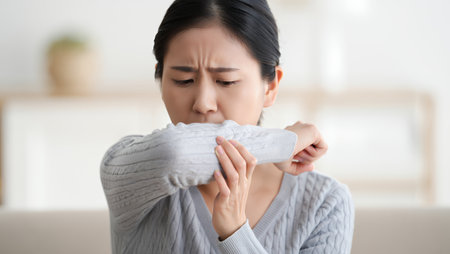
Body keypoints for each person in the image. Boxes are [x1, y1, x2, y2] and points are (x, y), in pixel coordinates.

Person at [100, 0, 354, 253]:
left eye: (226, 81)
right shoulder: (128, 167)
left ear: (271, 86)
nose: (203, 103)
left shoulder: (324, 202)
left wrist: (235, 234)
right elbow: (175, 152)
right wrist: (281, 144)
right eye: (183, 80)